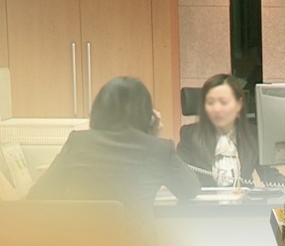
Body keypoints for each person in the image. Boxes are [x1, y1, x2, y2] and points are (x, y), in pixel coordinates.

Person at [28, 77, 200, 213]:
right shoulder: (160, 149)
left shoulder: (77, 142)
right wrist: (152, 137)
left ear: (98, 110)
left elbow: (39, 194)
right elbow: (190, 190)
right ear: (149, 117)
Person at [177, 74, 285, 188]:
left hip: (244, 200)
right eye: (210, 102)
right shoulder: (189, 135)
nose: (216, 109)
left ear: (239, 104)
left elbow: (270, 177)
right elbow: (182, 181)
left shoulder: (253, 135)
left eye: (224, 102)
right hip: (204, 200)